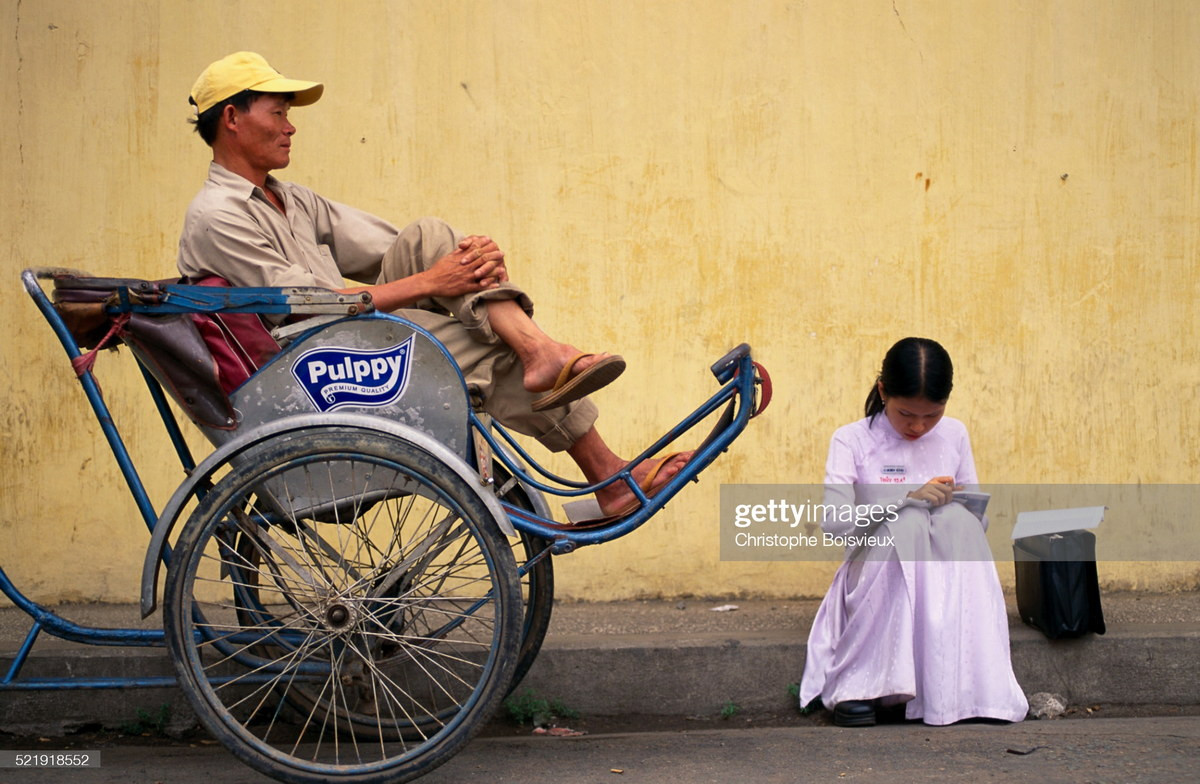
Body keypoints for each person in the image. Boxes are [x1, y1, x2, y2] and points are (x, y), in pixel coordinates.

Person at [178, 51, 689, 520]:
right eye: (278, 114)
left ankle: (539, 351)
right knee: (470, 341)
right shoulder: (217, 215)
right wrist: (438, 279)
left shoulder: (289, 198)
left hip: (336, 340)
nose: (290, 128)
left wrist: (470, 263)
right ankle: (600, 466)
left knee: (431, 236)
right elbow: (309, 307)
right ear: (232, 118)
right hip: (305, 367)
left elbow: (397, 246)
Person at [798, 337, 1028, 727]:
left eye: (932, 416)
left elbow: (980, 524)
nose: (919, 427)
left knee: (958, 523)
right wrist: (906, 500)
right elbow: (836, 522)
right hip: (877, 564)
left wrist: (952, 504)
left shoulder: (955, 434)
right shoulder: (851, 439)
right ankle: (867, 685)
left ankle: (956, 689)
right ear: (883, 391)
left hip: (941, 563)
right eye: (906, 414)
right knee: (904, 524)